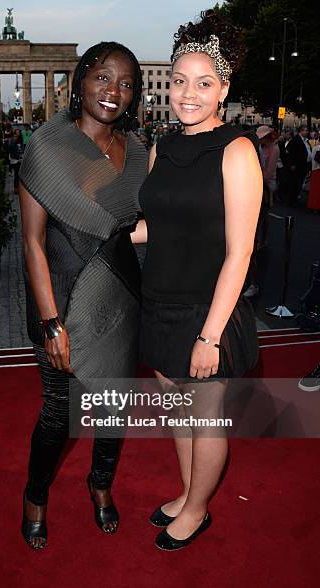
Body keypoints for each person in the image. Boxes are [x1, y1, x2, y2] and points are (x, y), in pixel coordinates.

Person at [138, 11, 262, 551]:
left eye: (204, 83)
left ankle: (198, 509)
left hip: (209, 307)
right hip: (160, 297)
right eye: (181, 81)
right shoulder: (161, 148)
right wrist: (103, 233)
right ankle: (189, 491)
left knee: (206, 417)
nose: (188, 93)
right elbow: (153, 225)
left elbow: (241, 252)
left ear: (223, 89)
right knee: (175, 410)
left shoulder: (236, 152)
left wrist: (210, 335)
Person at [19, 42, 147, 549]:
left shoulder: (136, 151)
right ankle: (35, 495)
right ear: (79, 79)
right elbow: (31, 240)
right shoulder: (46, 148)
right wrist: (51, 322)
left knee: (114, 408)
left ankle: (100, 485)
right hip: (64, 301)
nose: (113, 91)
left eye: (126, 83)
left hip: (119, 298)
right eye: (103, 76)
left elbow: (131, 229)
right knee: (58, 413)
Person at [287, 125, 312, 207]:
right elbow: (290, 151)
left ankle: (295, 198)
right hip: (297, 165)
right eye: (305, 130)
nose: (307, 132)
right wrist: (292, 163)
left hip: (304, 165)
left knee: (300, 183)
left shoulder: (306, 140)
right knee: (295, 183)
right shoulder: (296, 139)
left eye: (307, 130)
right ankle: (291, 200)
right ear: (301, 131)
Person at [8, 129, 23, 193]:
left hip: (20, 159)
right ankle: (16, 189)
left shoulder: (20, 140)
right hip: (15, 160)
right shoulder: (11, 141)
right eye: (16, 133)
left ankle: (18, 188)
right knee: (16, 175)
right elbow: (11, 151)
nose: (17, 134)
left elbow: (22, 148)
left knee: (19, 175)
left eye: (18, 133)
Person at [307, 140, 320, 213]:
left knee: (314, 189)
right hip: (318, 170)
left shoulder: (315, 147)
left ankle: (312, 206)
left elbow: (311, 158)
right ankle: (316, 207)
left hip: (314, 169)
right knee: (317, 190)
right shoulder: (318, 148)